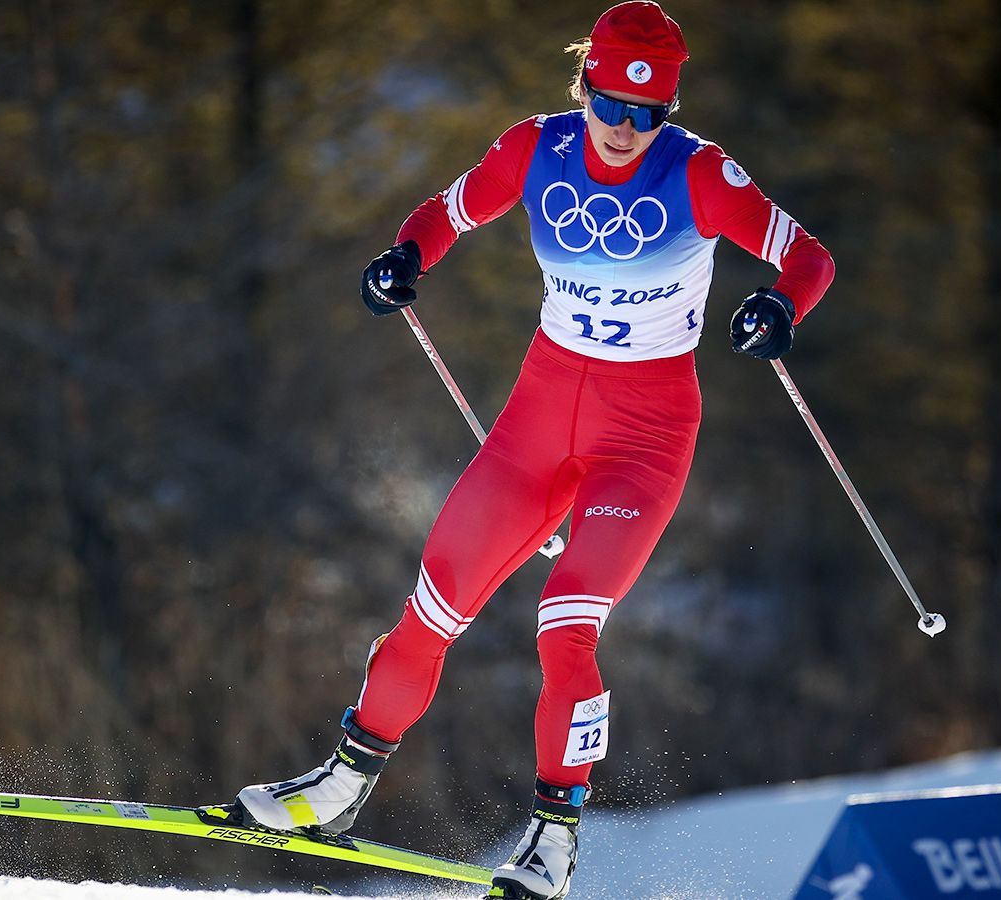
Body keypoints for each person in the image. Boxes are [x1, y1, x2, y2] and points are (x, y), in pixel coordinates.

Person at [234, 3, 834, 897]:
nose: (626, 130)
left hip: (646, 434)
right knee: (432, 604)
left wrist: (781, 306)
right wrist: (406, 257)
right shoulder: (534, 148)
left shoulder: (701, 173)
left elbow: (809, 258)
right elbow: (445, 211)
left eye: (648, 115)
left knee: (565, 622)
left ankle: (553, 839)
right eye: (610, 106)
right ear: (584, 84)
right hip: (538, 416)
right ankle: (341, 788)